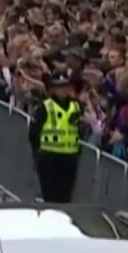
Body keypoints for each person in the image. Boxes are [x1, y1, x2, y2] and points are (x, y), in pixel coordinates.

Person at [27, 73, 82, 203]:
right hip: (49, 158)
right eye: (59, 87)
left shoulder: (76, 106)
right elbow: (34, 133)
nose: (63, 90)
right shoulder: (45, 107)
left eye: (65, 87)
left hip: (69, 159)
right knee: (50, 198)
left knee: (65, 199)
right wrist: (37, 154)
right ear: (53, 89)